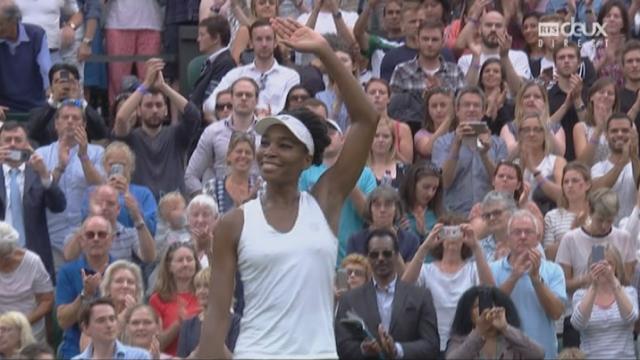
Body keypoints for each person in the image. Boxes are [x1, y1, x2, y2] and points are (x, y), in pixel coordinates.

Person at [196, 18, 379, 359]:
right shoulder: (235, 223)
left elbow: (367, 119)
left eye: (285, 145)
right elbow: (216, 321)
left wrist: (325, 51)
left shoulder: (325, 201)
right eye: (267, 143)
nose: (270, 152)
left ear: (307, 158)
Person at [335, 228, 440, 359]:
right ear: (368, 257)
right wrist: (363, 349)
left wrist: (397, 349)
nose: (380, 259)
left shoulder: (420, 296)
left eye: (386, 254)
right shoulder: (350, 299)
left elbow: (431, 345)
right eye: (374, 255)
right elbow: (342, 345)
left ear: (396, 255)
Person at [556, 187, 638, 347]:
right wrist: (587, 279)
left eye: (610, 220)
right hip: (579, 315)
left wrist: (612, 274)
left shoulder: (623, 238)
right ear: (589, 210)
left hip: (615, 317)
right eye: (600, 219)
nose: (605, 225)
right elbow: (562, 284)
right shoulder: (570, 239)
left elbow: (627, 282)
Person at [402, 216, 494, 354]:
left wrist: (475, 246)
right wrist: (425, 247)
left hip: (464, 345)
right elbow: (404, 288)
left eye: (456, 232)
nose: (452, 237)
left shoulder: (473, 269)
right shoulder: (426, 270)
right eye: (447, 231)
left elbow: (490, 291)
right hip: (430, 343)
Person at [114, 58, 201, 200]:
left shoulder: (177, 135)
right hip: (140, 207)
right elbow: (121, 119)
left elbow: (194, 115)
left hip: (175, 208)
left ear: (166, 110)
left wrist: (164, 88)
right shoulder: (131, 138)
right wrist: (145, 85)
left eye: (159, 105)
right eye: (148, 105)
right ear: (139, 111)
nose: (154, 110)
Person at [34, 101, 104, 270]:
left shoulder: (98, 152)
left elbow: (101, 188)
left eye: (76, 118)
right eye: (65, 117)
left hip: (87, 236)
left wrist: (84, 156)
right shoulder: (40, 154)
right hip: (51, 238)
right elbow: (38, 194)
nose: (70, 121)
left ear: (84, 125)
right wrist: (61, 167)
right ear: (56, 124)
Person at [490, 209, 567, 358]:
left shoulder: (553, 270)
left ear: (537, 238)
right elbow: (488, 311)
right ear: (508, 237)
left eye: (528, 232)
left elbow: (556, 313)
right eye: (517, 232)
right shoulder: (493, 269)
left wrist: (536, 279)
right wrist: (514, 277)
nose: (523, 237)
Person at [0, 121, 66, 279]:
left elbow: (59, 206)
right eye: (7, 140)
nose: (13, 145)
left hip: (33, 254)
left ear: (27, 144)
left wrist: (45, 175)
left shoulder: (37, 173)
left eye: (18, 140)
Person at [432, 86, 509, 216]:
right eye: (466, 105)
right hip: (453, 215)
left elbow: (501, 185)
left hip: (488, 215)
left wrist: (484, 153)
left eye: (476, 105)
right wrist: (456, 144)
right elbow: (443, 182)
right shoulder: (442, 143)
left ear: (483, 110)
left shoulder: (498, 144)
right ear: (457, 110)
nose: (471, 109)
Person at [203, 19, 301, 116]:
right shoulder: (236, 74)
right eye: (259, 39)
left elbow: (289, 109)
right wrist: (238, 110)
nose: (264, 44)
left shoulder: (290, 76)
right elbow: (208, 104)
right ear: (251, 43)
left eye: (268, 39)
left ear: (275, 42)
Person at [185, 77, 261, 197]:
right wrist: (207, 203)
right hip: (220, 203)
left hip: (257, 202)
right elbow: (191, 176)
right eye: (239, 94)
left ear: (256, 100)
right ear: (232, 98)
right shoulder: (212, 132)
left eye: (249, 95)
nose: (244, 98)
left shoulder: (266, 132)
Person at [56, 215, 115, 359]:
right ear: (82, 241)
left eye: (101, 234)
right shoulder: (67, 272)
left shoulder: (121, 270)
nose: (96, 239)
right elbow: (63, 322)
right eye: (90, 235)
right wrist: (85, 294)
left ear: (111, 239)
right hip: (75, 349)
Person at [571, 245, 638, 359]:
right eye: (599, 264)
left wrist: (613, 281)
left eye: (609, 263)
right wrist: (594, 285)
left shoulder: (628, 292)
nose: (603, 268)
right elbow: (578, 323)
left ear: (617, 267)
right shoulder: (580, 295)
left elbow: (631, 318)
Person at [63, 185, 156, 265]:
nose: (104, 207)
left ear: (118, 209)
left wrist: (138, 218)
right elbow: (69, 256)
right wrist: (90, 218)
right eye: (99, 203)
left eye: (110, 204)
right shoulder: (79, 233)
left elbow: (149, 258)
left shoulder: (129, 234)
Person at [446, 286, 545, 359]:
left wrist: (506, 328)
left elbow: (539, 354)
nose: (487, 310)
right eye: (478, 306)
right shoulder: (459, 340)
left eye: (492, 306)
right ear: (468, 313)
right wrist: (479, 332)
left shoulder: (512, 339)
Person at [27, 63, 108, 147]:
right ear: (51, 87)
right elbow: (31, 133)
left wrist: (79, 101)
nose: (64, 86)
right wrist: (54, 102)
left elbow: (101, 133)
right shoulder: (39, 112)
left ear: (77, 85)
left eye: (69, 81)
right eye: (58, 82)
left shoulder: (84, 111)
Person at [0, 221, 53, 343]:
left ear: (7, 255)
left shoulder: (33, 262)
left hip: (30, 330)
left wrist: (22, 323)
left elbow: (47, 300)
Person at [468, 161, 544, 240]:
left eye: (510, 177)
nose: (504, 179)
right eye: (501, 176)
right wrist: (496, 212)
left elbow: (538, 234)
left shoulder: (529, 207)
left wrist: (520, 208)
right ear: (493, 181)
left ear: (518, 185)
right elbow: (475, 234)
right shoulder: (481, 207)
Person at [149, 242, 201, 356]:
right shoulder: (157, 299)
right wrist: (178, 324)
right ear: (169, 266)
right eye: (180, 260)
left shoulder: (204, 294)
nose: (185, 264)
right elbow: (156, 344)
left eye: (189, 259)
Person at [0, 0, 51, 114]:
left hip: (35, 106)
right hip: (4, 108)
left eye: (0, 24)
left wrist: (50, 95)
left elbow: (46, 70)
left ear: (13, 21)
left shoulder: (36, 35)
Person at [177, 268, 241, 358]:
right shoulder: (188, 324)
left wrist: (217, 340)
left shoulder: (236, 322)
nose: (201, 291)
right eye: (198, 287)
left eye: (207, 286)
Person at [346, 185, 419, 262]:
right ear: (370, 209)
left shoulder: (411, 241)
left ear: (396, 209)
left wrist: (394, 247)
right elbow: (352, 271)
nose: (382, 210)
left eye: (388, 205)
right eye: (377, 205)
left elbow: (409, 274)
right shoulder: (355, 241)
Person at [590, 113, 640, 225]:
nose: (620, 134)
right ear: (606, 135)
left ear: (633, 134)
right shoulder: (598, 167)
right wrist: (622, 162)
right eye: (614, 131)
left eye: (625, 131)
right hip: (606, 230)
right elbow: (598, 189)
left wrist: (634, 157)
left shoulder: (637, 164)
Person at [512, 112, 566, 214]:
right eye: (526, 130)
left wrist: (534, 171)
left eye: (537, 129)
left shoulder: (557, 162)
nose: (532, 134)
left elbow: (563, 196)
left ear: (544, 134)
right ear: (520, 134)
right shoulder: (515, 164)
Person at [500, 81, 567, 158]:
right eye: (526, 96)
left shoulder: (555, 128)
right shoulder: (509, 128)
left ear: (544, 103)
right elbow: (509, 153)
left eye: (537, 97)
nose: (531, 99)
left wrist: (543, 123)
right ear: (520, 102)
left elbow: (559, 153)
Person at [73, 297, 151, 359]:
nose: (109, 325)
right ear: (86, 328)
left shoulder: (139, 357)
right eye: (101, 320)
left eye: (112, 319)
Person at [543, 162, 591, 261]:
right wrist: (573, 231)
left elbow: (600, 248)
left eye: (575, 181)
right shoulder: (552, 216)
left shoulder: (596, 215)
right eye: (565, 182)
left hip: (590, 271)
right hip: (561, 273)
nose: (569, 185)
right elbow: (548, 256)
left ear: (587, 184)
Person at [202, 132, 259, 213]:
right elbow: (208, 220)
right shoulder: (211, 187)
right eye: (239, 151)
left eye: (248, 152)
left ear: (253, 158)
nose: (243, 155)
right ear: (229, 156)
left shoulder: (261, 187)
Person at [190, 15, 236, 113]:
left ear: (216, 38)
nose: (198, 39)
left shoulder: (225, 64)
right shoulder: (213, 62)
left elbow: (211, 99)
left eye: (202, 35)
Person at [365, 78, 413, 164]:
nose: (377, 95)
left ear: (389, 98)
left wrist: (390, 147)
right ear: (365, 97)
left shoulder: (402, 129)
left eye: (382, 92)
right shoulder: (356, 128)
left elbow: (407, 164)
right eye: (372, 92)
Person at [573, 78, 617, 166]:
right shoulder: (581, 128)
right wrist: (598, 130)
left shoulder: (623, 126)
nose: (605, 95)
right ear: (591, 97)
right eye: (601, 92)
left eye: (610, 93)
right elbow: (582, 163)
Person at [398, 162, 444, 240]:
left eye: (434, 188)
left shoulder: (440, 214)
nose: (430, 193)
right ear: (412, 185)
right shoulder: (398, 212)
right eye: (426, 187)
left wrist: (424, 233)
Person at [414, 87, 455, 161]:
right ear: (428, 110)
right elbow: (428, 150)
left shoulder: (459, 132)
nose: (438, 110)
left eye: (443, 105)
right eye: (434, 106)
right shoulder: (421, 134)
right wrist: (449, 118)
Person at [368, 120, 406, 188]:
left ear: (393, 140)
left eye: (386, 136)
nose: (380, 140)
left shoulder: (404, 170)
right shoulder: (360, 171)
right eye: (376, 136)